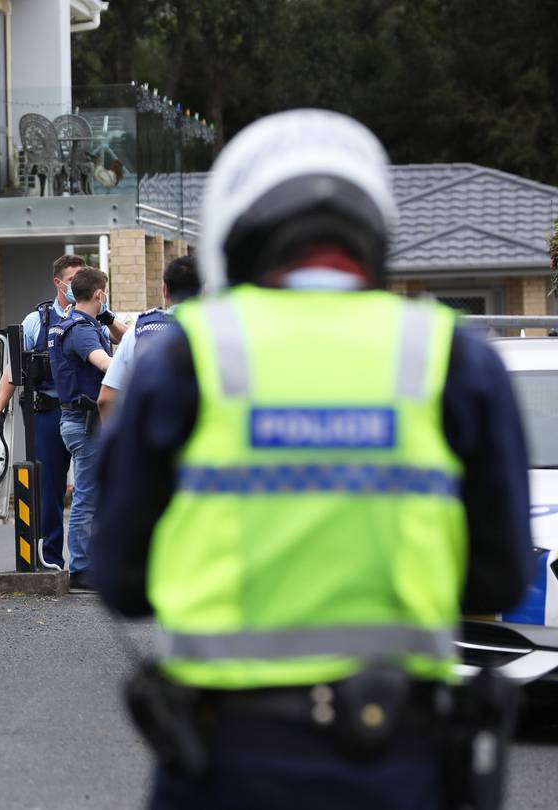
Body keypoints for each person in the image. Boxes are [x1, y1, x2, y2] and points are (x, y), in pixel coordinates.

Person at [92, 109, 533, 808]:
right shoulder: (454, 358)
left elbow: (119, 578)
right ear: (374, 235)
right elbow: (500, 577)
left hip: (227, 762)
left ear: (236, 241)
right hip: (401, 760)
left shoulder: (188, 357)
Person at [0, 254, 85, 570]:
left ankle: (89, 563)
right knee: (49, 490)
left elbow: (120, 343)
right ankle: (52, 558)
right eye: (73, 280)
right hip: (49, 413)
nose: (78, 286)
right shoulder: (38, 320)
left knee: (91, 491)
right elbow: (12, 370)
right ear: (58, 283)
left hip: (87, 413)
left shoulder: (96, 316)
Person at [48, 263, 118, 591]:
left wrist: (106, 317)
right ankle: (81, 567)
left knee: (92, 493)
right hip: (84, 421)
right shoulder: (82, 329)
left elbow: (122, 336)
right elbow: (102, 362)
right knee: (87, 495)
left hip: (78, 419)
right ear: (100, 294)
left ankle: (89, 562)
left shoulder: (68, 323)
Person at [96, 255, 202, 423]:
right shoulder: (224, 332)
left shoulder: (138, 331)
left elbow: (106, 399)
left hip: (152, 440)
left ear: (164, 290)